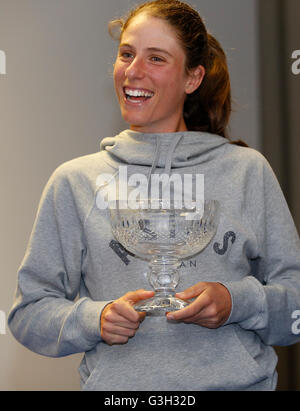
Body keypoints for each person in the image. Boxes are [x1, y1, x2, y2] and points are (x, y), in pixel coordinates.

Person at [8, 0, 300, 391]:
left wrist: (236, 302)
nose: (133, 72)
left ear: (192, 78)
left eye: (156, 58)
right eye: (126, 54)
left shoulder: (247, 171)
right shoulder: (75, 182)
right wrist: (95, 318)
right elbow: (27, 315)